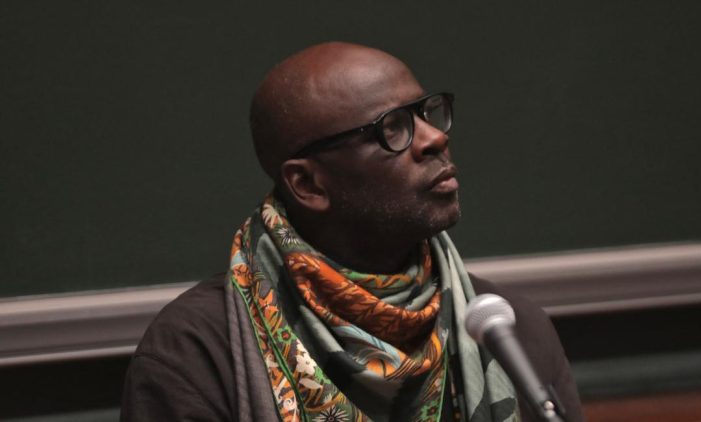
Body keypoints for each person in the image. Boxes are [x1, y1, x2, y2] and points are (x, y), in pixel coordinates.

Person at [121, 42, 583, 422]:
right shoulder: (195, 353)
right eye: (393, 128)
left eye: (427, 113)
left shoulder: (510, 332)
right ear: (308, 184)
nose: (434, 139)